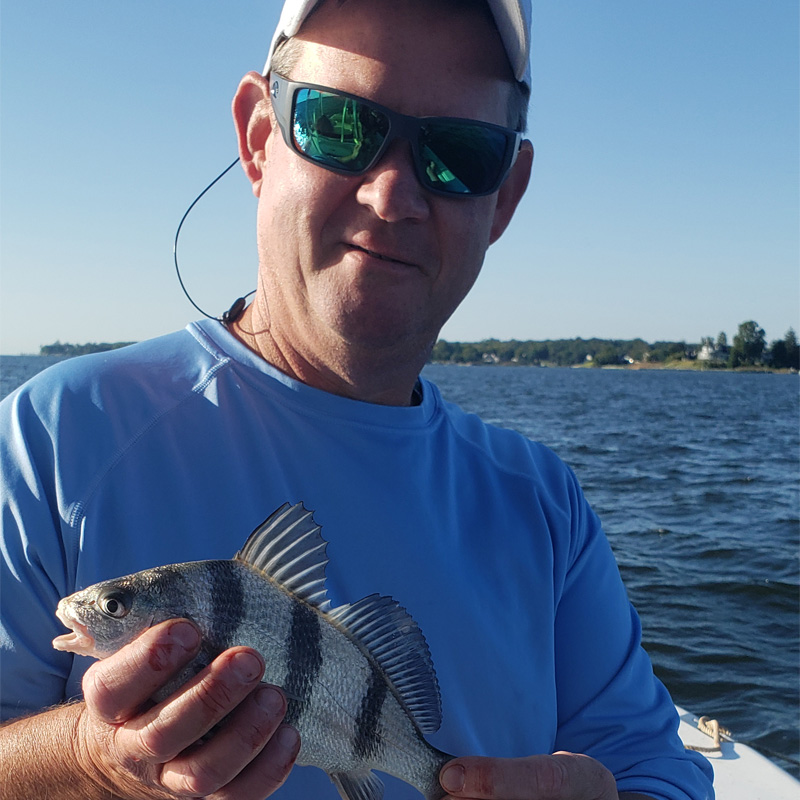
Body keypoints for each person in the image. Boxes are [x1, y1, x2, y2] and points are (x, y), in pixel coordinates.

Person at [0, 0, 714, 798]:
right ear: (259, 137)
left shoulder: (545, 504)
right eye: (341, 125)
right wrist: (91, 760)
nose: (394, 195)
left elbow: (657, 767)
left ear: (505, 196)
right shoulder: (54, 440)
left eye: (460, 154)